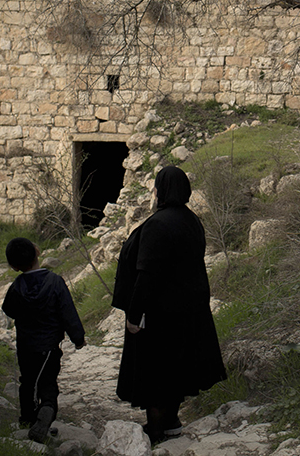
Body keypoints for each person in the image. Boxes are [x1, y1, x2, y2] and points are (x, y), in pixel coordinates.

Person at [113, 165, 227, 443]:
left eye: (154, 187)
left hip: (160, 314)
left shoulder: (157, 225)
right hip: (189, 309)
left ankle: (155, 431)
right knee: (177, 369)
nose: (153, 192)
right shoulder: (193, 221)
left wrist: (134, 313)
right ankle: (172, 422)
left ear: (161, 190)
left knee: (155, 372)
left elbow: (147, 273)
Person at [2, 237, 86, 443]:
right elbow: (68, 313)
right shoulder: (55, 282)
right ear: (37, 253)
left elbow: (8, 309)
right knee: (47, 383)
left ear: (13, 266)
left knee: (27, 381)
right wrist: (78, 338)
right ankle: (46, 408)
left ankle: (27, 420)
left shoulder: (17, 286)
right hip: (49, 347)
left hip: (26, 345)